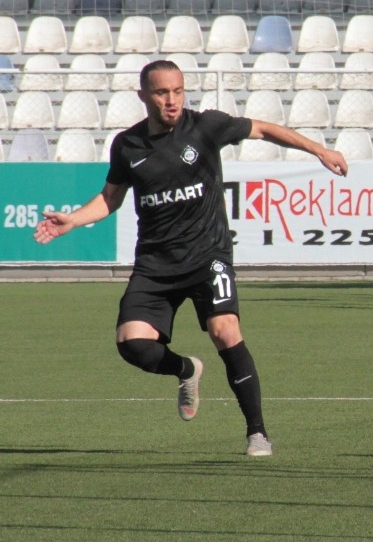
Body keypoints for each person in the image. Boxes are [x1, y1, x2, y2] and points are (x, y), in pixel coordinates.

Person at [34, 60, 349, 457]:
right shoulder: (128, 145)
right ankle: (186, 369)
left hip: (207, 256)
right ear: (143, 95)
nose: (172, 100)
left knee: (225, 330)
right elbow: (111, 197)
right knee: (133, 345)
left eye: (178, 91)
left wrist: (319, 150)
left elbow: (265, 129)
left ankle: (257, 433)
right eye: (162, 92)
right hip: (155, 263)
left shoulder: (206, 127)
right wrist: (74, 220)